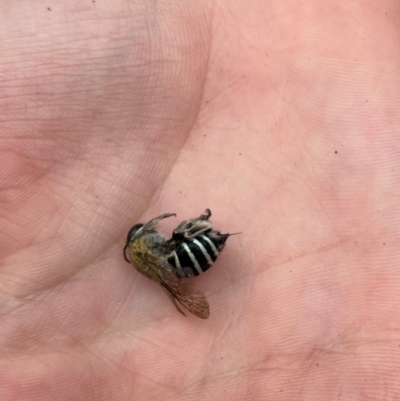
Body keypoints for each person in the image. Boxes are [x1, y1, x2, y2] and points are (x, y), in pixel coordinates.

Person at [1, 2, 398, 399]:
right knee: (180, 235)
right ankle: (203, 229)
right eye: (144, 229)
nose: (148, 227)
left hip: (190, 262)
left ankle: (203, 233)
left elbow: (173, 258)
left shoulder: (153, 265)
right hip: (192, 252)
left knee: (180, 237)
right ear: (140, 239)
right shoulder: (148, 243)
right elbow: (165, 231)